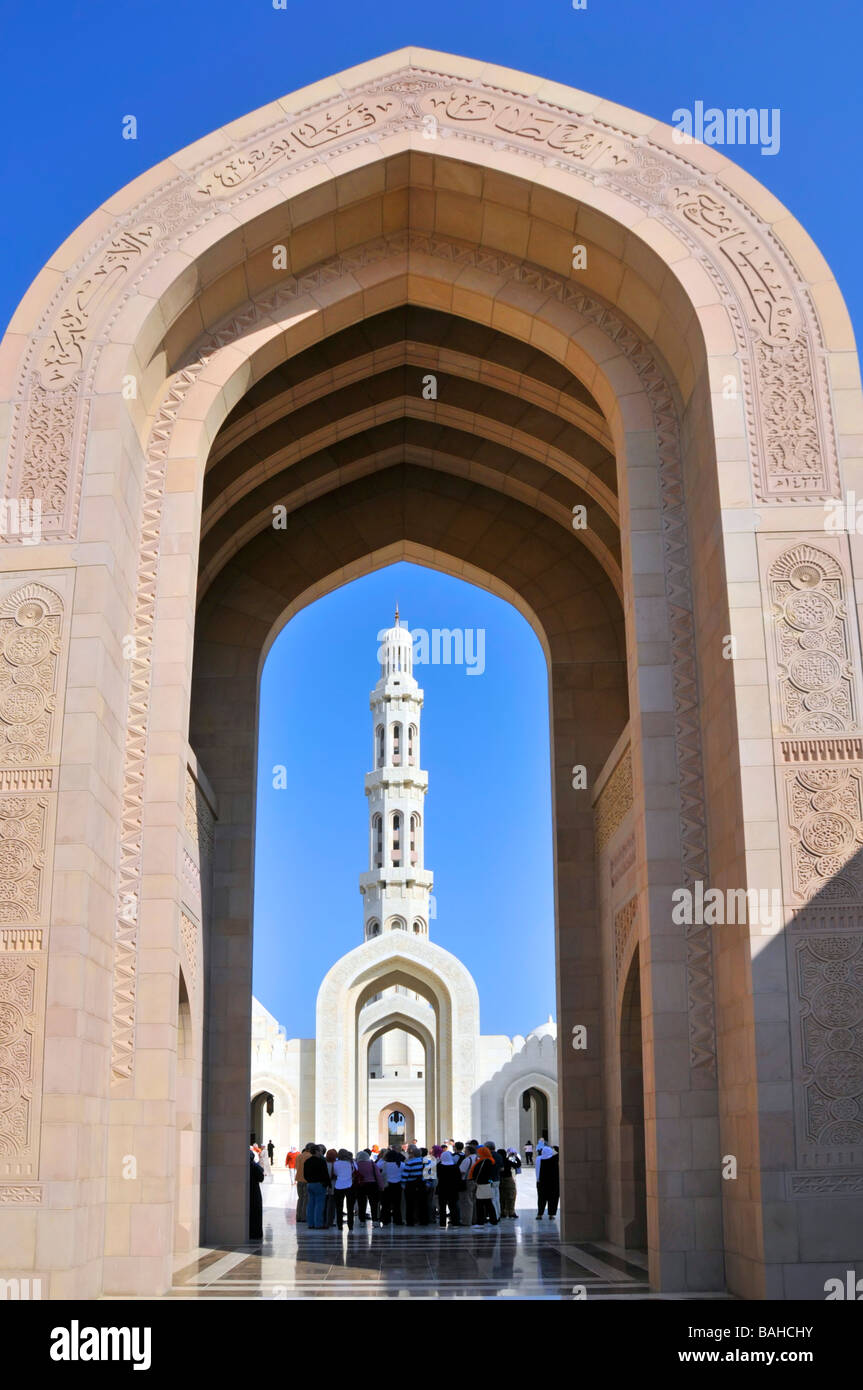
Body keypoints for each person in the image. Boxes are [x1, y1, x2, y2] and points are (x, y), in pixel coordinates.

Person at [470, 1146, 499, 1226]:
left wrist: (477, 1181)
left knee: (481, 1204)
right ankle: (493, 1220)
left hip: (482, 1184)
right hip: (486, 1184)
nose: (478, 1153)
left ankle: (481, 1221)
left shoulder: (485, 1161)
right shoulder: (490, 1160)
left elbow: (482, 1173)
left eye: (479, 1152)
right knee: (488, 1203)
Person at [303, 1145, 329, 1229]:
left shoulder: (307, 1161)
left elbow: (305, 1174)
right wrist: (328, 1184)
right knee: (319, 1204)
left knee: (311, 1204)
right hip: (319, 1184)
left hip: (310, 1184)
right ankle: (318, 1224)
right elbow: (325, 1174)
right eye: (320, 1151)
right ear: (317, 1151)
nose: (321, 1152)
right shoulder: (321, 1161)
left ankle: (310, 1224)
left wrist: (309, 1181)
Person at [401, 1144, 426, 1226]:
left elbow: (405, 1175)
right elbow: (429, 1174)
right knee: (422, 1203)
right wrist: (428, 1184)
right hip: (422, 1184)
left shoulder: (410, 1162)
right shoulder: (426, 1161)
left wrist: (403, 1185)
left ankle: (410, 1221)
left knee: (410, 1204)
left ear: (413, 1154)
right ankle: (423, 1221)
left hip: (410, 1185)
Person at [436, 1147, 462, 1227]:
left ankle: (442, 1223)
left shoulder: (439, 1166)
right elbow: (459, 1177)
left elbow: (437, 1176)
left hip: (442, 1188)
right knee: (453, 1206)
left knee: (442, 1207)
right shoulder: (455, 1167)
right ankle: (455, 1222)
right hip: (453, 1189)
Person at [333, 1148, 358, 1230]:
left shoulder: (335, 1163)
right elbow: (356, 1171)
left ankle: (339, 1225)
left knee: (339, 1207)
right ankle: (350, 1225)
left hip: (338, 1186)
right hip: (350, 1186)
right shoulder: (351, 1162)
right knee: (350, 1208)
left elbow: (335, 1173)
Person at [380, 1148, 405, 1225]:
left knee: (385, 1204)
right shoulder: (401, 1164)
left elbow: (380, 1173)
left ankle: (385, 1219)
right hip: (398, 1186)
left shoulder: (383, 1164)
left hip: (387, 1185)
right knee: (397, 1204)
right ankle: (397, 1220)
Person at [354, 1149, 380, 1223]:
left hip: (360, 1185)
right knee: (373, 1203)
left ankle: (362, 1221)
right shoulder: (372, 1163)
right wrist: (380, 1185)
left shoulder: (356, 1164)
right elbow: (378, 1175)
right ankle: (374, 1220)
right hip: (372, 1184)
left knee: (361, 1203)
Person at [535, 1141, 559, 1219]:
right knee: (553, 1198)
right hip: (553, 1183)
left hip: (541, 1182)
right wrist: (555, 1148)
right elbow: (559, 1153)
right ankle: (551, 1214)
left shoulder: (538, 1159)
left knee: (541, 1199)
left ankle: (540, 1214)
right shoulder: (553, 1160)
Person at [249, 1149, 265, 1240]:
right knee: (255, 1213)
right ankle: (256, 1233)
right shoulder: (255, 1166)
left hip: (249, 1191)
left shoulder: (245, 1166)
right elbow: (261, 1178)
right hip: (254, 1192)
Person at [295, 1142, 313, 1221]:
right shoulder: (311, 1156)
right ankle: (304, 1217)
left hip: (299, 1179)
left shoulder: (299, 1156)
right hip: (307, 1180)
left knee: (300, 1198)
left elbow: (296, 1167)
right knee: (306, 1199)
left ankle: (298, 1216)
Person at [500, 1149, 520, 1218]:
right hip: (508, 1179)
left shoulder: (497, 1161)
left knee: (501, 1197)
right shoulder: (507, 1161)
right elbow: (518, 1165)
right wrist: (515, 1156)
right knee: (511, 1196)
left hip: (499, 1180)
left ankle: (503, 1212)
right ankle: (511, 1212)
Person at [324, 1148, 338, 1227]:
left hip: (326, 1186)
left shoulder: (324, 1163)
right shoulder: (336, 1164)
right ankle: (333, 1220)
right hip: (334, 1186)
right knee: (333, 1205)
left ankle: (325, 1219)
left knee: (325, 1204)